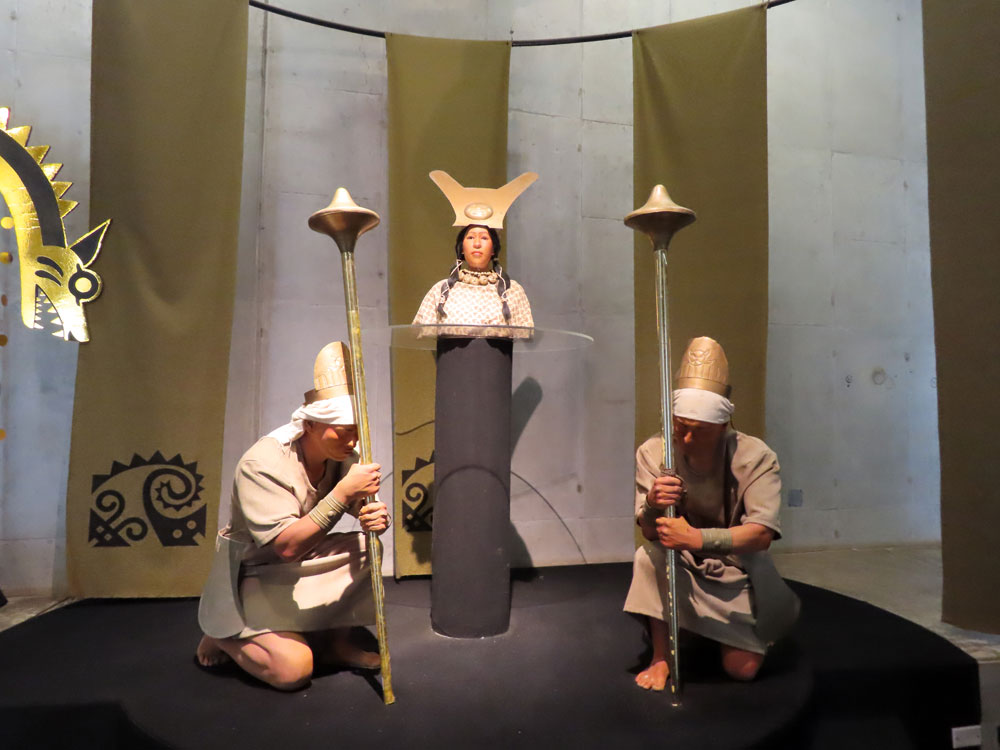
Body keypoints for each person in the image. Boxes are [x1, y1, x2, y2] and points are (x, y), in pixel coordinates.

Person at [196, 342, 390, 691]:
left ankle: (334, 642)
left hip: (300, 562)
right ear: (311, 425)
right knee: (294, 670)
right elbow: (285, 547)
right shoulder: (263, 464)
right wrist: (343, 493)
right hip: (253, 572)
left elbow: (358, 507)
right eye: (342, 430)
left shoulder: (342, 455)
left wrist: (371, 514)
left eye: (356, 430)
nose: (352, 441)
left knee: (367, 547)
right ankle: (222, 632)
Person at [624, 336, 799, 691]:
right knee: (648, 557)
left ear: (722, 426)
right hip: (679, 562)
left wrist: (697, 537)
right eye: (680, 426)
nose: (686, 439)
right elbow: (650, 532)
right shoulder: (655, 451)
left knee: (741, 670)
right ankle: (662, 655)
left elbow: (761, 534)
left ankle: (712, 627)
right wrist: (654, 503)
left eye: (699, 431)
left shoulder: (756, 457)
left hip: (736, 567)